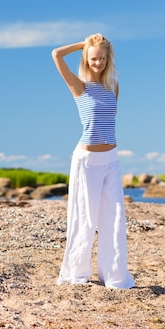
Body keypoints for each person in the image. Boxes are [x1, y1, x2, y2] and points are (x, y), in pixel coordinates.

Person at [51, 33, 135, 289]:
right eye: (93, 59)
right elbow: (56, 54)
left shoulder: (114, 87)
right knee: (85, 219)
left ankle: (115, 277)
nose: (97, 63)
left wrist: (94, 47)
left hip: (111, 159)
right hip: (86, 161)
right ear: (86, 60)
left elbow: (109, 123)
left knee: (114, 219)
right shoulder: (79, 86)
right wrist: (83, 45)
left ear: (108, 59)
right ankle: (76, 274)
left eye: (101, 58)